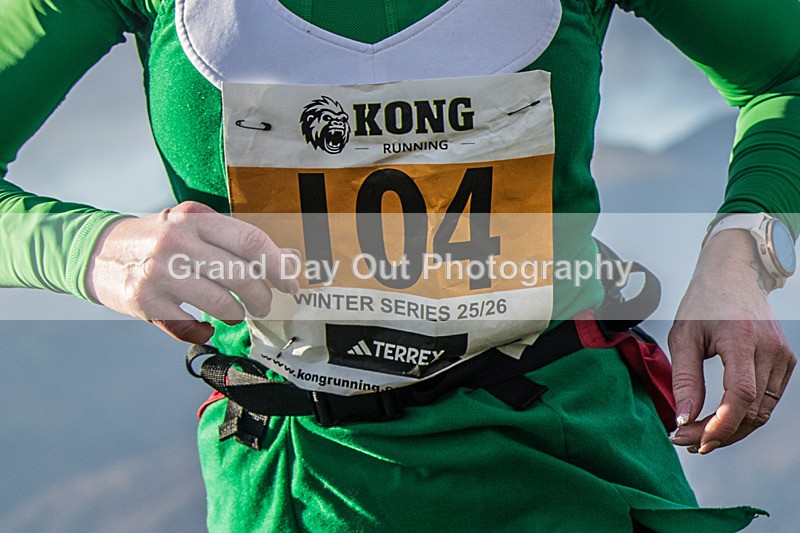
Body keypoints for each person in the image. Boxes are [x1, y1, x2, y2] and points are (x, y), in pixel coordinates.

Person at [1, 0, 798, 531]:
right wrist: (90, 250)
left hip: (571, 461)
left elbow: (784, 69)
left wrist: (743, 251)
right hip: (302, 486)